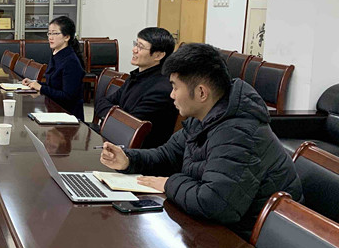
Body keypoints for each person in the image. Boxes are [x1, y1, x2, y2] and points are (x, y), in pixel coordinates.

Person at [100, 43, 302, 238]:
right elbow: (168, 154)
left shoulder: (237, 133)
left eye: (175, 87)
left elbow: (214, 204)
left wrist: (169, 183)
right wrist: (128, 159)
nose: (171, 95)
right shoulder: (206, 116)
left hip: (247, 241)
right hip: (219, 228)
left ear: (201, 92)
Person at [93, 27, 178, 148]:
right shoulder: (136, 76)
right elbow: (102, 102)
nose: (134, 50)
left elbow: (129, 127)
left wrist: (114, 114)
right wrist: (116, 115)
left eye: (140, 47)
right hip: (117, 141)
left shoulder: (161, 89)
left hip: (138, 151)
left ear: (158, 55)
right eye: (136, 44)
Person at [22, 15, 85, 120]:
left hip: (68, 117)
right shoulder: (57, 54)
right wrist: (35, 83)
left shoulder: (71, 62)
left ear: (67, 37)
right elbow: (54, 85)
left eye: (55, 33)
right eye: (49, 33)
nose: (50, 37)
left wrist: (41, 88)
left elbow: (67, 97)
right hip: (54, 110)